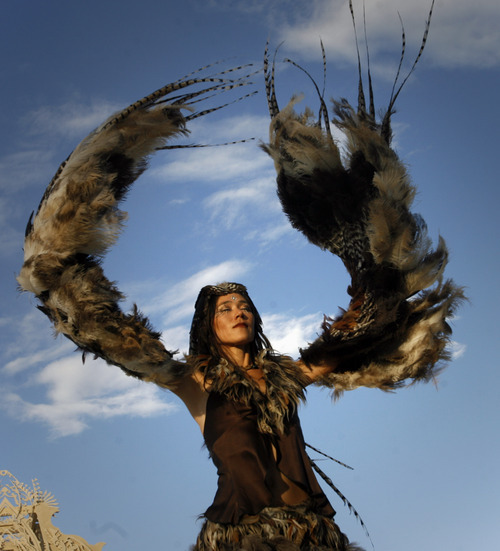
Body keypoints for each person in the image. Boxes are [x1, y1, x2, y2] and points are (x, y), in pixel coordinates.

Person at [169, 282, 358, 551]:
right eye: (226, 309)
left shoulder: (284, 376)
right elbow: (136, 353)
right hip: (242, 538)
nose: (239, 313)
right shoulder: (196, 382)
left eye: (245, 308)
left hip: (311, 535)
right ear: (207, 324)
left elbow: (343, 347)